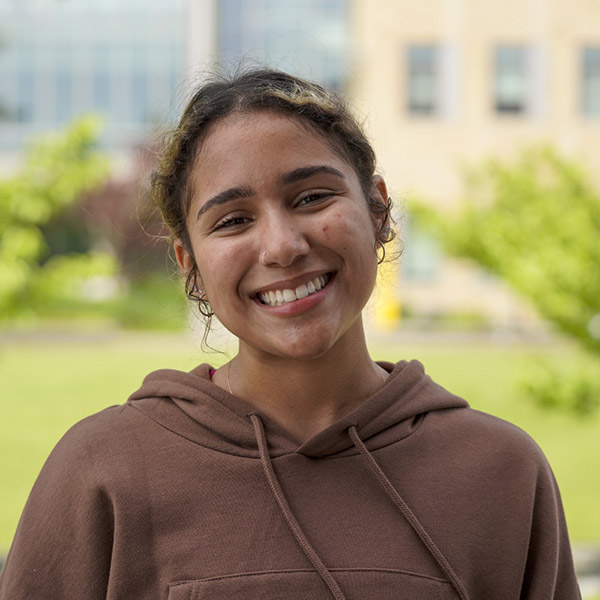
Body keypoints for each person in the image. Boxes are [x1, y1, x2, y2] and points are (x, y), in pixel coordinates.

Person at [0, 69, 580, 600]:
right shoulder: (103, 471)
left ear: (377, 209)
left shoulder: (501, 473)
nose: (281, 246)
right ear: (190, 265)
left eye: (312, 197)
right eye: (232, 221)